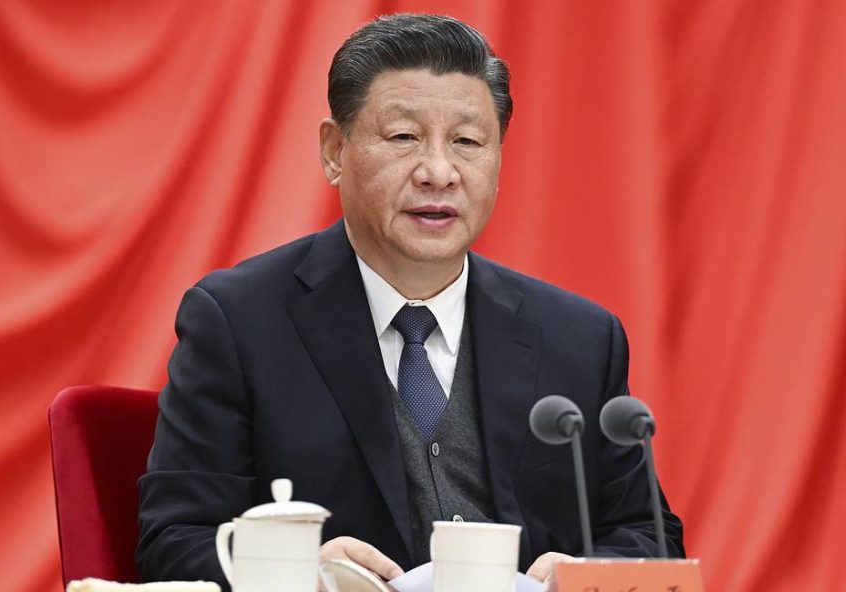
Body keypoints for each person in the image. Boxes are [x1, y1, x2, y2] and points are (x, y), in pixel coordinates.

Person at [137, 13, 684, 590]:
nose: (439, 172)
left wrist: (584, 575)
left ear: (499, 160)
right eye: (404, 137)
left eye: (468, 142)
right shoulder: (239, 321)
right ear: (333, 151)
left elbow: (650, 535)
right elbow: (174, 540)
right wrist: (301, 572)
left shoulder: (579, 337)